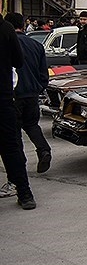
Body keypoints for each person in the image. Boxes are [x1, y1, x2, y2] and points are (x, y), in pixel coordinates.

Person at [5, 12, 51, 175]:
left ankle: (19, 165)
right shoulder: (36, 45)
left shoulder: (6, 44)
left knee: (15, 131)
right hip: (32, 93)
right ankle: (44, 150)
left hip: (13, 95)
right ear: (23, 25)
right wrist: (38, 88)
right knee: (32, 125)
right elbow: (43, 74)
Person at [0, 16, 36, 209]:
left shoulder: (5, 28)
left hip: (4, 99)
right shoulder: (6, 29)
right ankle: (24, 192)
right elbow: (18, 61)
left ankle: (23, 190)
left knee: (11, 147)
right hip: (4, 98)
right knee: (11, 147)